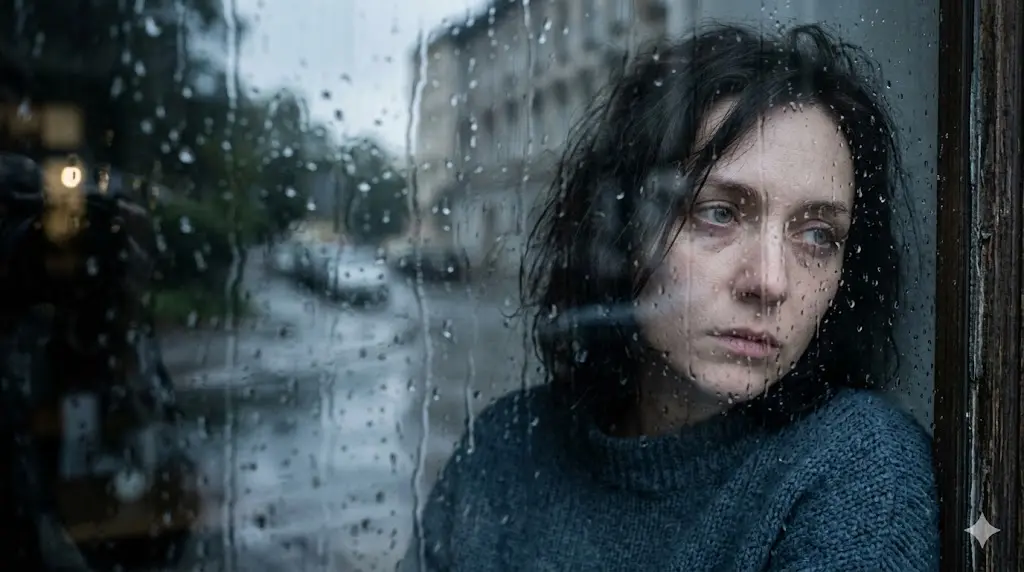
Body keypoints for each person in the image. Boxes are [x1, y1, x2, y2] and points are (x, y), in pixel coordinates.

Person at [402, 22, 939, 571]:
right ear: (621, 232)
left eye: (818, 235)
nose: (771, 282)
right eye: (719, 213)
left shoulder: (856, 467)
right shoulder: (507, 449)